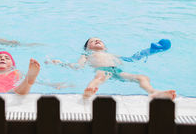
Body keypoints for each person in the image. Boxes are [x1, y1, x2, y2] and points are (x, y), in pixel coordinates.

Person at [45, 37, 176, 99]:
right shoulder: (86, 54)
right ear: (87, 48)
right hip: (101, 70)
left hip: (118, 71)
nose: (96, 41)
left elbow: (132, 59)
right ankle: (89, 91)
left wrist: (150, 51)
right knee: (99, 77)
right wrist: (60, 63)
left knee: (142, 77)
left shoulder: (111, 54)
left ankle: (153, 92)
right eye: (92, 41)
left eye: (99, 40)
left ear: (105, 47)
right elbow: (78, 66)